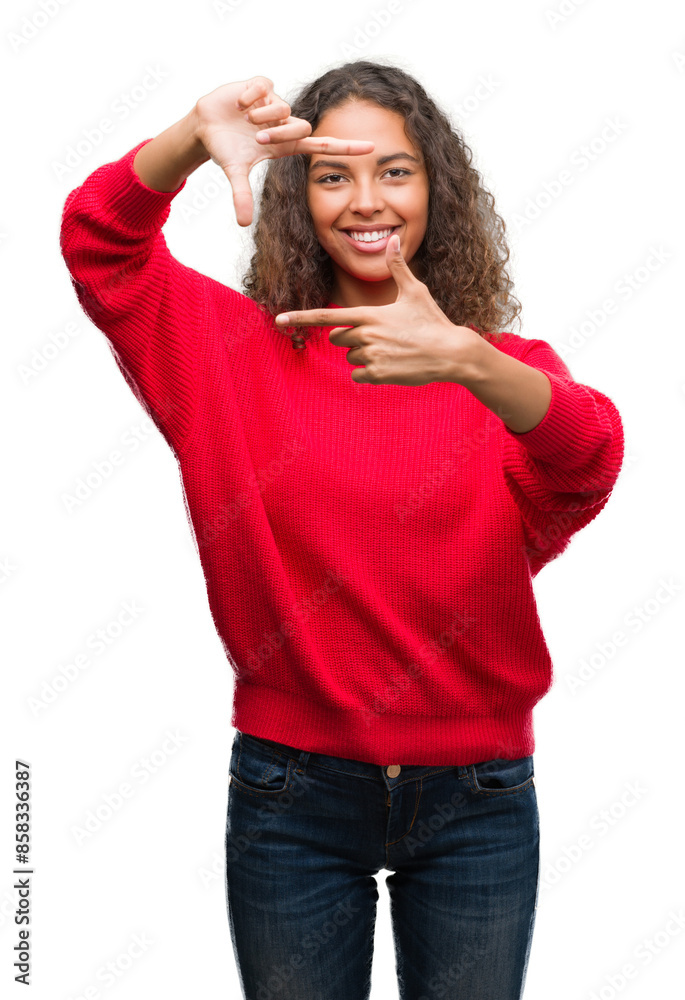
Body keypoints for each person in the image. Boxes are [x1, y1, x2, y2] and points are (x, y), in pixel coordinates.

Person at [60, 60, 624, 1000]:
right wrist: (191, 140)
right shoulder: (229, 356)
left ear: (436, 190)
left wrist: (470, 359)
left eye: (395, 170)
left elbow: (589, 457)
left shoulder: (501, 372)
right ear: (299, 196)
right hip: (292, 797)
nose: (367, 200)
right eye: (333, 173)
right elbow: (99, 246)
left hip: (478, 799)